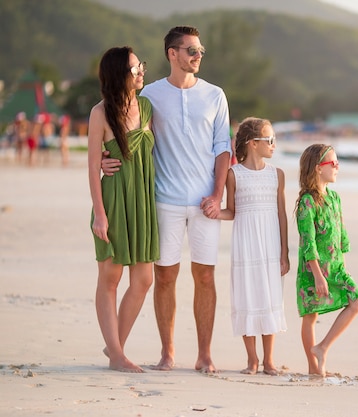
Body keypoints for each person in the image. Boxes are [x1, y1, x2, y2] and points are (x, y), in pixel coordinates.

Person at [102, 26, 231, 373]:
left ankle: (204, 354)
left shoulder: (216, 95)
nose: (198, 56)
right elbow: (119, 122)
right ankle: (168, 352)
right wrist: (104, 155)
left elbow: (223, 149)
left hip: (206, 202)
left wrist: (217, 195)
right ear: (172, 54)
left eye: (201, 50)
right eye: (191, 50)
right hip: (164, 199)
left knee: (205, 277)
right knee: (165, 277)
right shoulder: (150, 96)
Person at [87, 46, 158, 372]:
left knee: (143, 279)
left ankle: (114, 346)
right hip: (114, 200)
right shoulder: (100, 114)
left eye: (140, 65)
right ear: (119, 75)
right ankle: (117, 355)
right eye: (134, 68)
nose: (141, 71)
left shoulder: (146, 107)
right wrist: (99, 214)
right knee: (111, 278)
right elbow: (91, 167)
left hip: (143, 201)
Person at [218, 117, 289, 375]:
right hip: (245, 245)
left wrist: (285, 253)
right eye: (269, 139)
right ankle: (252, 360)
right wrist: (214, 212)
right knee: (248, 295)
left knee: (269, 296)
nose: (273, 144)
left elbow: (281, 215)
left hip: (270, 246)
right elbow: (232, 211)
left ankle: (269, 360)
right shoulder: (233, 174)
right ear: (252, 143)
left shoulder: (277, 175)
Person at [295, 144, 358, 377]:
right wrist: (317, 275)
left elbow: (341, 234)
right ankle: (313, 367)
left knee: (357, 301)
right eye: (332, 163)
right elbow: (308, 242)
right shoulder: (307, 202)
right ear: (318, 169)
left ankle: (322, 347)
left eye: (337, 162)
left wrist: (341, 266)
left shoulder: (335, 198)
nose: (337, 167)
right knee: (311, 315)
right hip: (313, 268)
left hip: (335, 268)